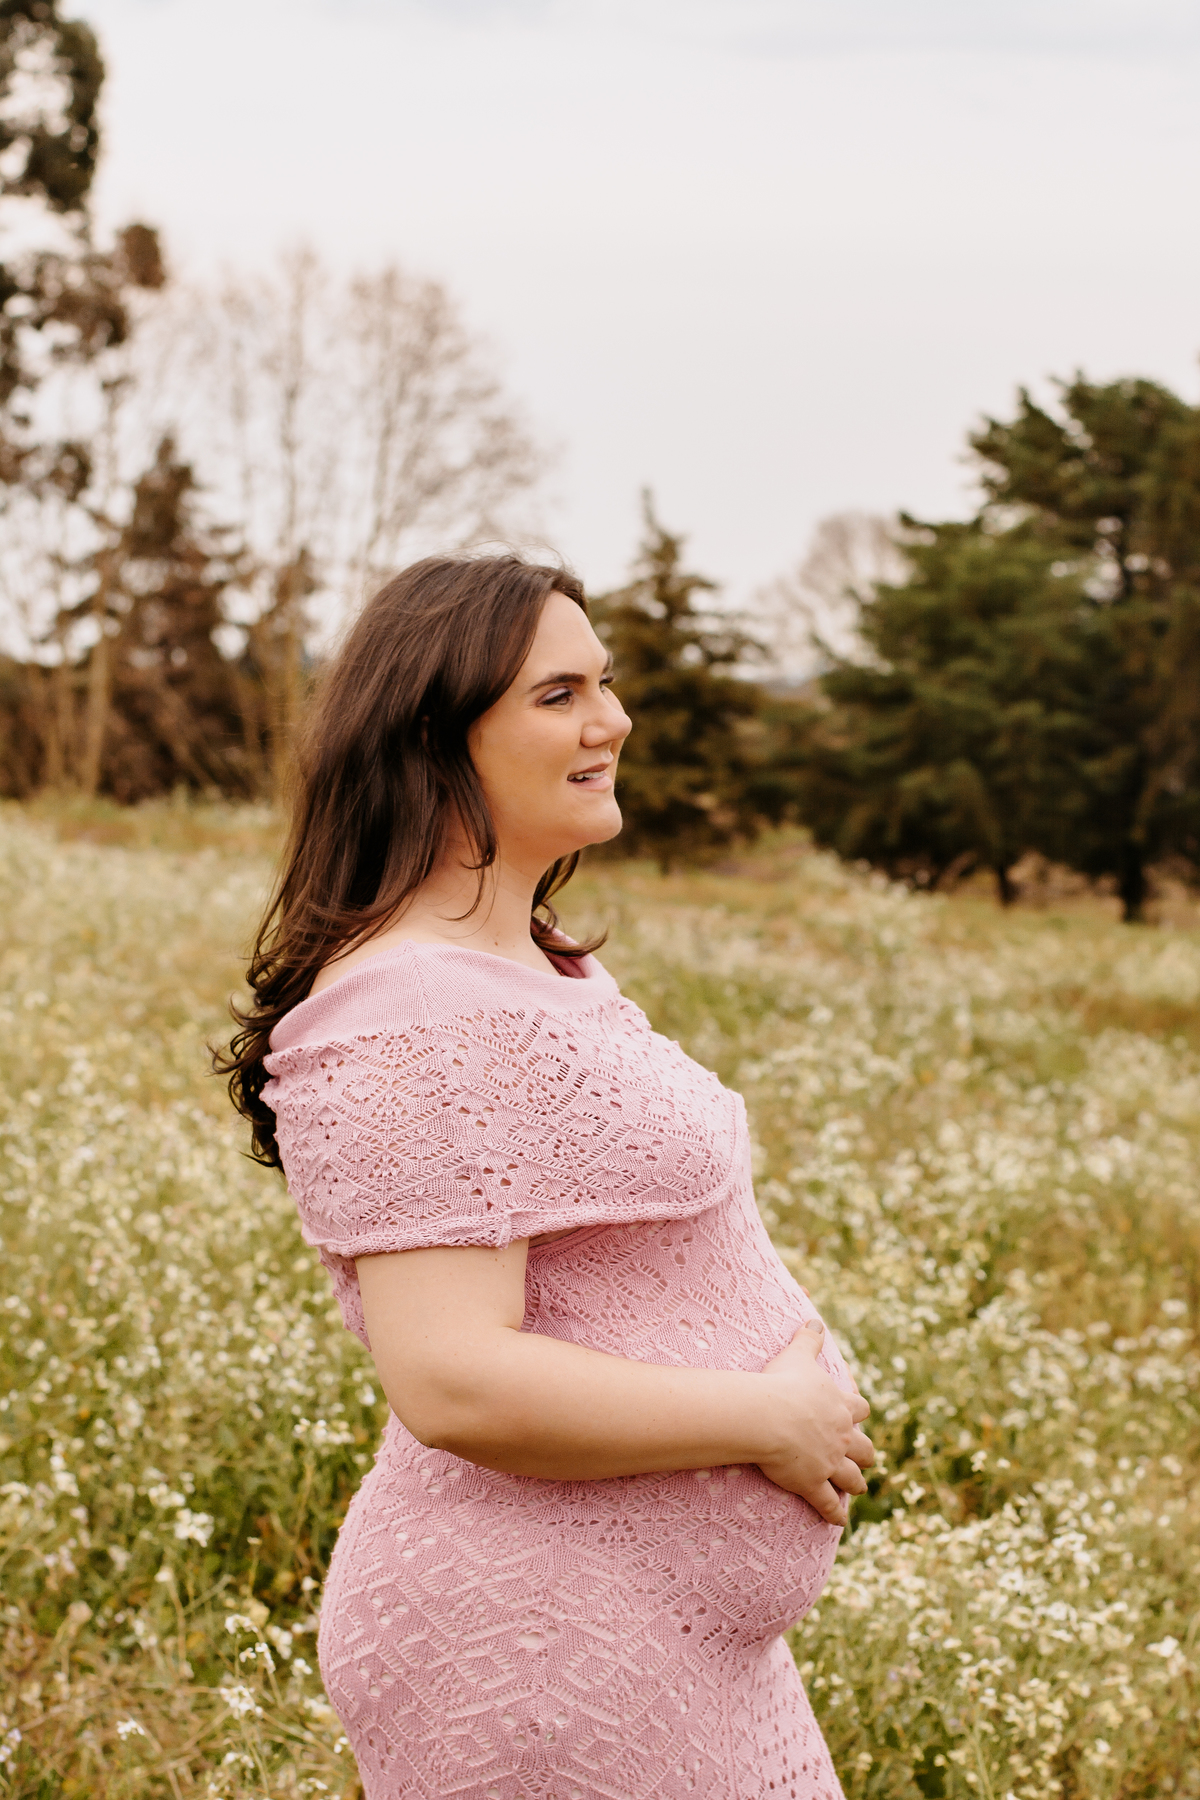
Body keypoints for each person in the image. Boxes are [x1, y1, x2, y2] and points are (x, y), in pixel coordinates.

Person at [221, 554, 875, 1800]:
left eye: (605, 684)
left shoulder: (534, 963)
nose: (611, 720)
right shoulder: (404, 1010)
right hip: (534, 1650)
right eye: (559, 694)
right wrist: (766, 1421)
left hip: (655, 1640)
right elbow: (453, 1380)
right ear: (434, 738)